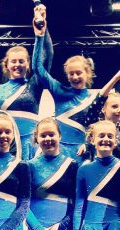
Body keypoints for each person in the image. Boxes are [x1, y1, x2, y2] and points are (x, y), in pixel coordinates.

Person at [31, 15, 102, 162]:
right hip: (59, 151)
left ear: (87, 73)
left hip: (82, 153)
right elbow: (38, 69)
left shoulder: (94, 98)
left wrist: (88, 145)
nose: (75, 77)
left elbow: (96, 129)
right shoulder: (60, 92)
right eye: (71, 73)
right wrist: (39, 37)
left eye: (78, 73)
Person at [0, 7, 54, 160]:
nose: (17, 65)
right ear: (6, 65)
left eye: (22, 61)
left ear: (28, 64)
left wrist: (41, 33)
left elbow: (47, 57)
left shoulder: (34, 86)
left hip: (29, 146)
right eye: (13, 61)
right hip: (6, 144)